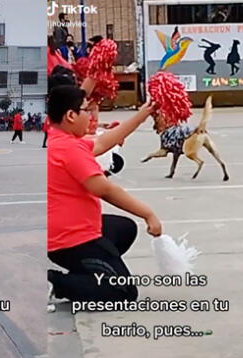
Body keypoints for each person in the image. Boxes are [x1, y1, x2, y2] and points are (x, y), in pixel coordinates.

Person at [46, 85, 161, 303]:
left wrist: (142, 115)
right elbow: (105, 190)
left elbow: (102, 142)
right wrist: (148, 214)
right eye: (85, 110)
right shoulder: (69, 149)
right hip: (70, 239)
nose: (90, 116)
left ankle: (89, 272)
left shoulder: (58, 138)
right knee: (123, 292)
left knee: (124, 229)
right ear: (71, 115)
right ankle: (54, 282)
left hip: (67, 230)